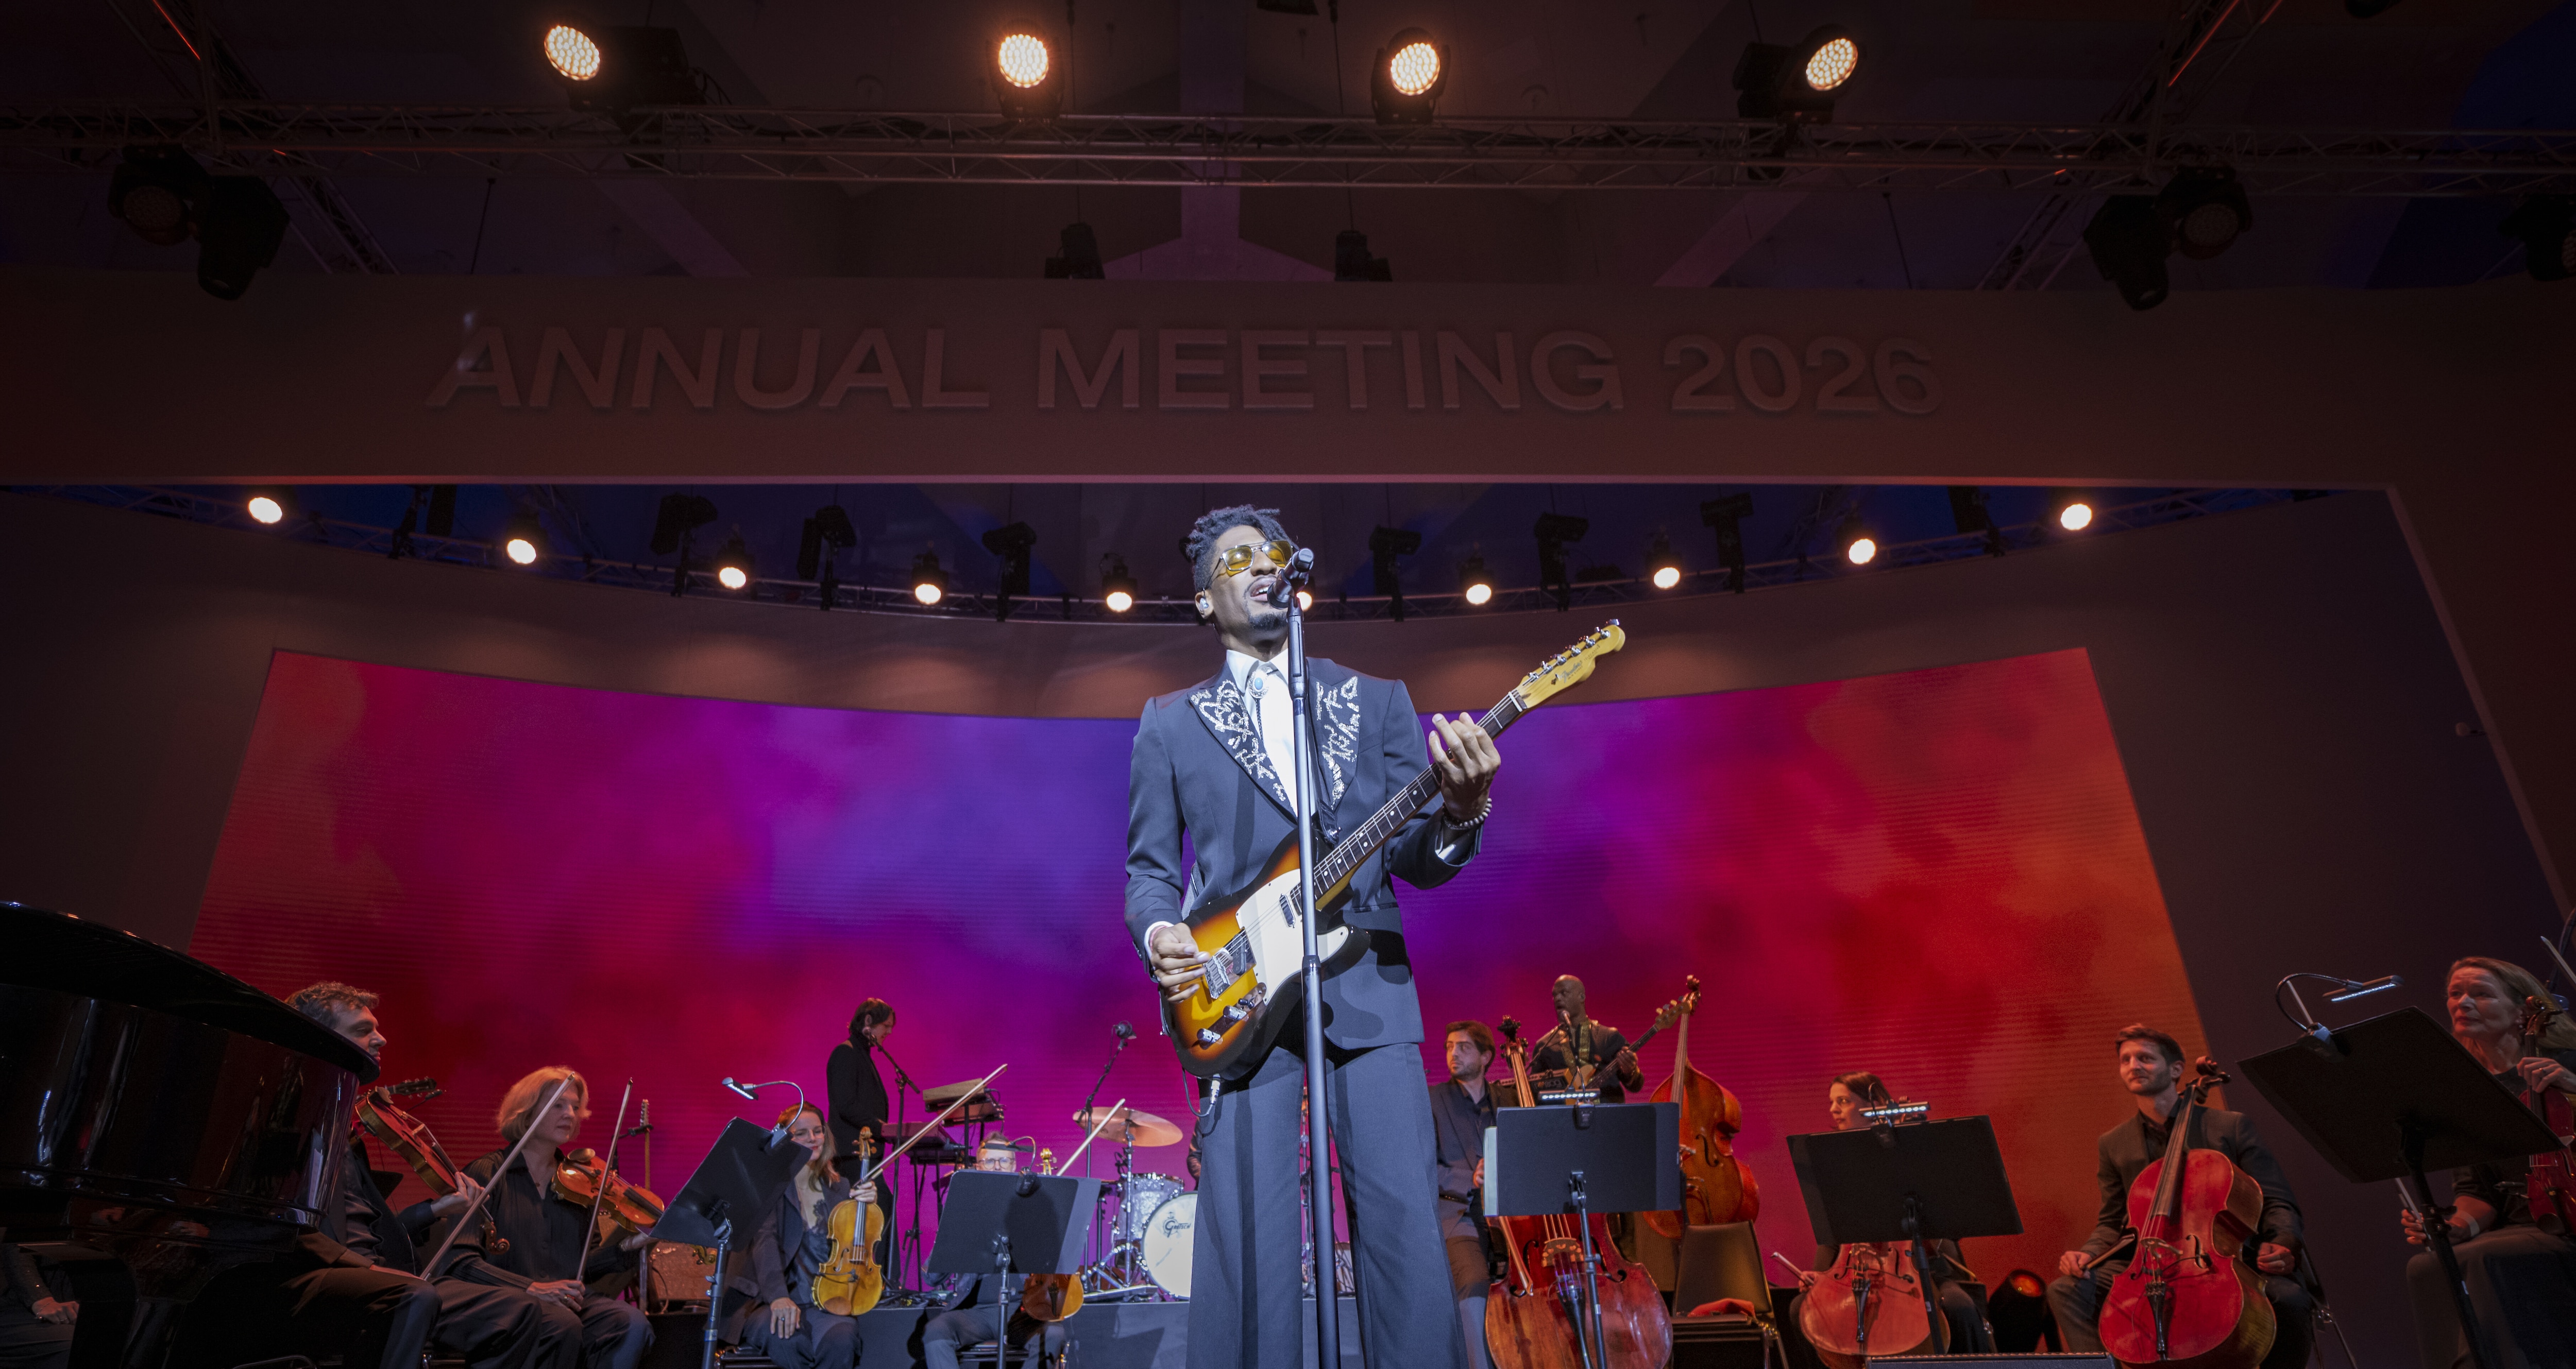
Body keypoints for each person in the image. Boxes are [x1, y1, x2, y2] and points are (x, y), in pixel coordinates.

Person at [1132, 505, 1500, 1369]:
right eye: (1235, 559)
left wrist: (1463, 807)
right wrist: (1159, 929)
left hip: (1366, 982)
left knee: (1406, 1225)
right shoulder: (1170, 721)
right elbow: (1149, 866)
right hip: (1239, 993)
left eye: (1270, 554)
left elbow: (1417, 855)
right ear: (1202, 600)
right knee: (1247, 1235)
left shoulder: (1375, 700)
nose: (1260, 566)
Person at [286, 982, 564, 1369]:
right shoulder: (294, 1118)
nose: (381, 1039)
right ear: (321, 1037)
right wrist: (367, 1268)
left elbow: (372, 1228)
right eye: (363, 1030)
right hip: (324, 1277)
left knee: (523, 1314)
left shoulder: (345, 1132)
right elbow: (291, 1226)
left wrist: (439, 1209)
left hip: (380, 1274)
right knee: (416, 1295)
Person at [2046, 1025, 2312, 1369]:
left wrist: (2283, 1243)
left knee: (2287, 1299)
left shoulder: (2230, 1127)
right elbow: (2112, 1222)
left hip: (2229, 1257)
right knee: (2067, 1291)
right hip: (2148, 1263)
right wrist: (2087, 1254)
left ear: (2175, 1069)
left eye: (2144, 1058)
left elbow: (2278, 1201)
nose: (2133, 1066)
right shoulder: (2114, 1144)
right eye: (2125, 1060)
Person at [2398, 956, 2576, 1369]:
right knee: (2426, 1265)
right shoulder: (2466, 1097)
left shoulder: (2567, 1064)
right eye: (2456, 994)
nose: (2464, 1003)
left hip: (2568, 1221)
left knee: (2484, 1258)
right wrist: (2451, 1226)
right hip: (2523, 1227)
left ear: (2521, 1013)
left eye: (2481, 994)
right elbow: (2477, 1193)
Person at [446, 1069, 655, 1369]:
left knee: (631, 1324)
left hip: (564, 1304)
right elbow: (459, 1262)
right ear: (527, 1112)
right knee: (561, 1324)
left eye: (574, 1106)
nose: (570, 1113)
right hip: (507, 1304)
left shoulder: (581, 1181)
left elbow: (584, 1265)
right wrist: (531, 1287)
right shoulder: (488, 1174)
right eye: (558, 1104)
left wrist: (629, 1247)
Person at [1791, 1072, 1992, 1354]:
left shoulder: (1909, 1154)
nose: (1833, 1109)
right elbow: (1831, 1230)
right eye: (1832, 1102)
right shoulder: (1833, 1164)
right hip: (1853, 1272)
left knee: (1958, 1307)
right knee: (1802, 1308)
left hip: (1921, 1272)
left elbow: (1946, 1225)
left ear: (1875, 1106)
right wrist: (1820, 1274)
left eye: (1844, 1101)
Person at [725, 1103, 871, 1369]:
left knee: (843, 1340)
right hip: (765, 1300)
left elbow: (854, 1248)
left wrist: (865, 1208)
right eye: (801, 1133)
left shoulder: (841, 1188)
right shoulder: (769, 1184)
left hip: (824, 1303)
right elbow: (764, 1242)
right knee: (790, 1342)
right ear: (784, 1139)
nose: (813, 1139)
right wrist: (779, 1297)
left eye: (818, 1131)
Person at [920, 1137, 1069, 1369]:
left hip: (1023, 1311)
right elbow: (931, 1278)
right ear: (978, 1166)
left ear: (1015, 1166)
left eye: (1004, 1161)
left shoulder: (1034, 1209)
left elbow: (1059, 1265)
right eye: (989, 1162)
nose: (997, 1167)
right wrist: (954, 1228)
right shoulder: (967, 1210)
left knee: (1052, 1335)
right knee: (936, 1333)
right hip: (976, 1313)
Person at [1429, 1021, 1500, 1369]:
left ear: (1486, 1056)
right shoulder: (1433, 1100)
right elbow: (1421, 1167)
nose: (1453, 1054)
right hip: (1458, 1211)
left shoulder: (1506, 1100)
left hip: (1508, 1217)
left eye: (1463, 1047)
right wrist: (1468, 1176)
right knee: (1473, 1283)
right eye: (1448, 1046)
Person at [826, 999, 900, 1270]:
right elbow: (845, 1104)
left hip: (867, 1154)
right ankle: (876, 1279)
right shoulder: (845, 1053)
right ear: (868, 1021)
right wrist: (882, 1127)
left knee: (883, 1208)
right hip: (853, 1154)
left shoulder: (862, 1055)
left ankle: (881, 1279)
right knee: (880, 1208)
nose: (889, 1033)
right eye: (886, 1026)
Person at [1529, 977, 1646, 1104]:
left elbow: (1636, 1086)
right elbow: (1536, 1094)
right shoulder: (1545, 1046)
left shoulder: (1608, 1037)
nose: (1557, 998)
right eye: (1554, 995)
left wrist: (1630, 1071)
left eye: (1564, 993)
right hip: (1563, 1121)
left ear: (1582, 997)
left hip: (1607, 1118)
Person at [0, 1243, 73, 1369]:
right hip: (17, 1307)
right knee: (77, 1344)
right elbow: (16, 1246)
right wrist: (41, 1300)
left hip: (63, 1305)